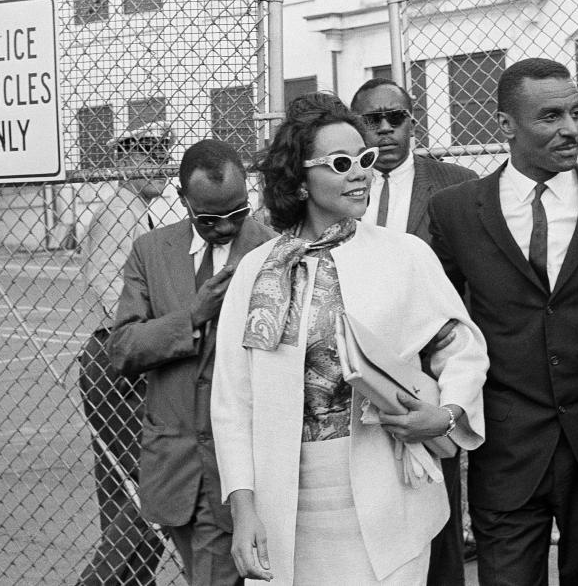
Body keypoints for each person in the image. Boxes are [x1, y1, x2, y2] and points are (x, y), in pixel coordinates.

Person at [210, 92, 489, 585]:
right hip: (285, 504)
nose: (360, 172)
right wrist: (244, 509)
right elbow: (233, 402)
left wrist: (444, 416)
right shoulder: (257, 270)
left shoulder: (405, 255)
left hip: (389, 497)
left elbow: (462, 347)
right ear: (298, 179)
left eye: (362, 159)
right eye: (340, 163)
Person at [429, 57, 578, 585]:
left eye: (576, 112)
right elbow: (441, 323)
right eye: (550, 116)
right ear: (506, 124)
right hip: (506, 450)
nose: (572, 129)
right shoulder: (455, 210)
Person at [107, 139, 274, 586]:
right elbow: (123, 348)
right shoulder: (151, 251)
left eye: (237, 213)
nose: (225, 228)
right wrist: (193, 316)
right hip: (175, 466)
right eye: (209, 219)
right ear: (183, 200)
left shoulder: (273, 251)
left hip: (240, 468)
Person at [350, 77, 478, 585]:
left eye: (395, 118)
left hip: (428, 372)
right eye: (371, 120)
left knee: (436, 513)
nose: (384, 130)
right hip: (355, 371)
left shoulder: (456, 184)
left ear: (412, 121)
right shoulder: (341, 184)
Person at [77, 123, 171, 586]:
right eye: (146, 154)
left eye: (162, 152)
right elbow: (113, 293)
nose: (158, 163)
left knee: (123, 491)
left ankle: (134, 580)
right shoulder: (122, 211)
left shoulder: (133, 209)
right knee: (153, 485)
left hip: (116, 359)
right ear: (121, 162)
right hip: (121, 360)